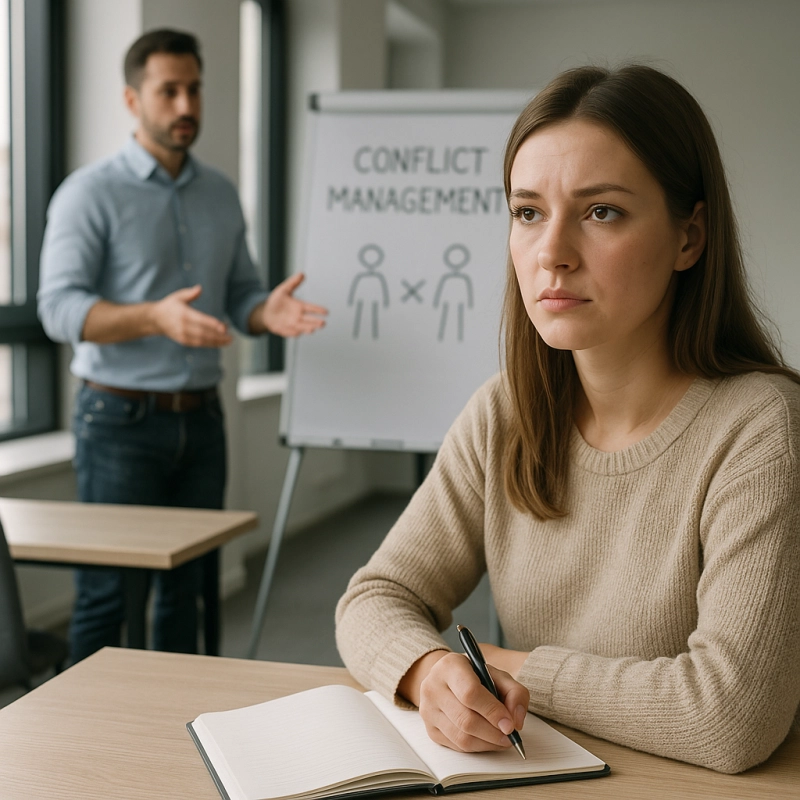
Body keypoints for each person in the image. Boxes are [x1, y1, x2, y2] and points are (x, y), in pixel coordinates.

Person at [335, 64, 800, 774]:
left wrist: (512, 666)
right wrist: (428, 670)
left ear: (690, 237)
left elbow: (729, 717)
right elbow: (375, 597)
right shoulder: (504, 414)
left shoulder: (764, 428)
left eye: (601, 211)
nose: (551, 253)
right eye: (527, 213)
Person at [37, 29, 327, 663]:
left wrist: (263, 312)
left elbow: (242, 293)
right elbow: (58, 310)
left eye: (192, 88)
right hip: (118, 422)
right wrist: (153, 318)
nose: (184, 104)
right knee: (108, 597)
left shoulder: (220, 192)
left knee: (191, 593)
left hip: (202, 420)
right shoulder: (89, 193)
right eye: (168, 90)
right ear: (132, 99)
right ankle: (89, 739)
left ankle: (178, 736)